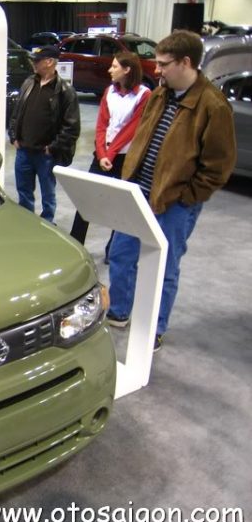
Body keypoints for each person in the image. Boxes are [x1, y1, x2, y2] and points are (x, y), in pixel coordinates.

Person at [105, 30, 236, 352]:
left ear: (186, 62)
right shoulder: (160, 94)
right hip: (138, 193)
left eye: (164, 64)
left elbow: (218, 167)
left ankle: (154, 327)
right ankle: (119, 312)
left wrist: (186, 198)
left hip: (175, 204)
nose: (157, 70)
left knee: (164, 266)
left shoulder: (213, 106)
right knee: (121, 256)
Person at [70, 52, 151, 250]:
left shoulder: (144, 95)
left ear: (127, 69)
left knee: (122, 205)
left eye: (114, 66)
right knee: (86, 200)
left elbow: (131, 129)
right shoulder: (109, 91)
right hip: (103, 155)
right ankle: (75, 243)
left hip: (125, 158)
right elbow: (101, 124)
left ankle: (113, 248)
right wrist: (102, 154)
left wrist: (111, 154)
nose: (110, 70)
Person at [8, 45, 80, 223]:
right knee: (23, 191)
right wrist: (13, 136)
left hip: (45, 154)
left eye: (37, 60)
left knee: (48, 194)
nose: (33, 63)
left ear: (49, 62)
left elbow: (71, 127)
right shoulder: (29, 83)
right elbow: (16, 112)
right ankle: (27, 222)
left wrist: (53, 148)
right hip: (23, 151)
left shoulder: (65, 91)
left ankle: (48, 223)